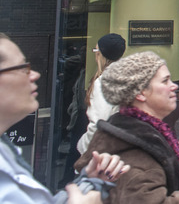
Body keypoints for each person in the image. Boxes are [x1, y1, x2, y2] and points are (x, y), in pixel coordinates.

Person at [75, 51, 179, 203]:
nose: (174, 86)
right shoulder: (134, 148)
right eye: (165, 81)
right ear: (141, 93)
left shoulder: (141, 134)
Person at [0, 33, 129, 204]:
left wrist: (86, 175)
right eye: (21, 68)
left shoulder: (8, 153)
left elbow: (99, 124)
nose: (35, 75)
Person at [77, 33, 126, 154]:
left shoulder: (104, 82)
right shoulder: (127, 78)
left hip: (107, 153)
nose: (95, 53)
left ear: (100, 53)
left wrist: (82, 146)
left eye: (96, 49)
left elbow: (99, 124)